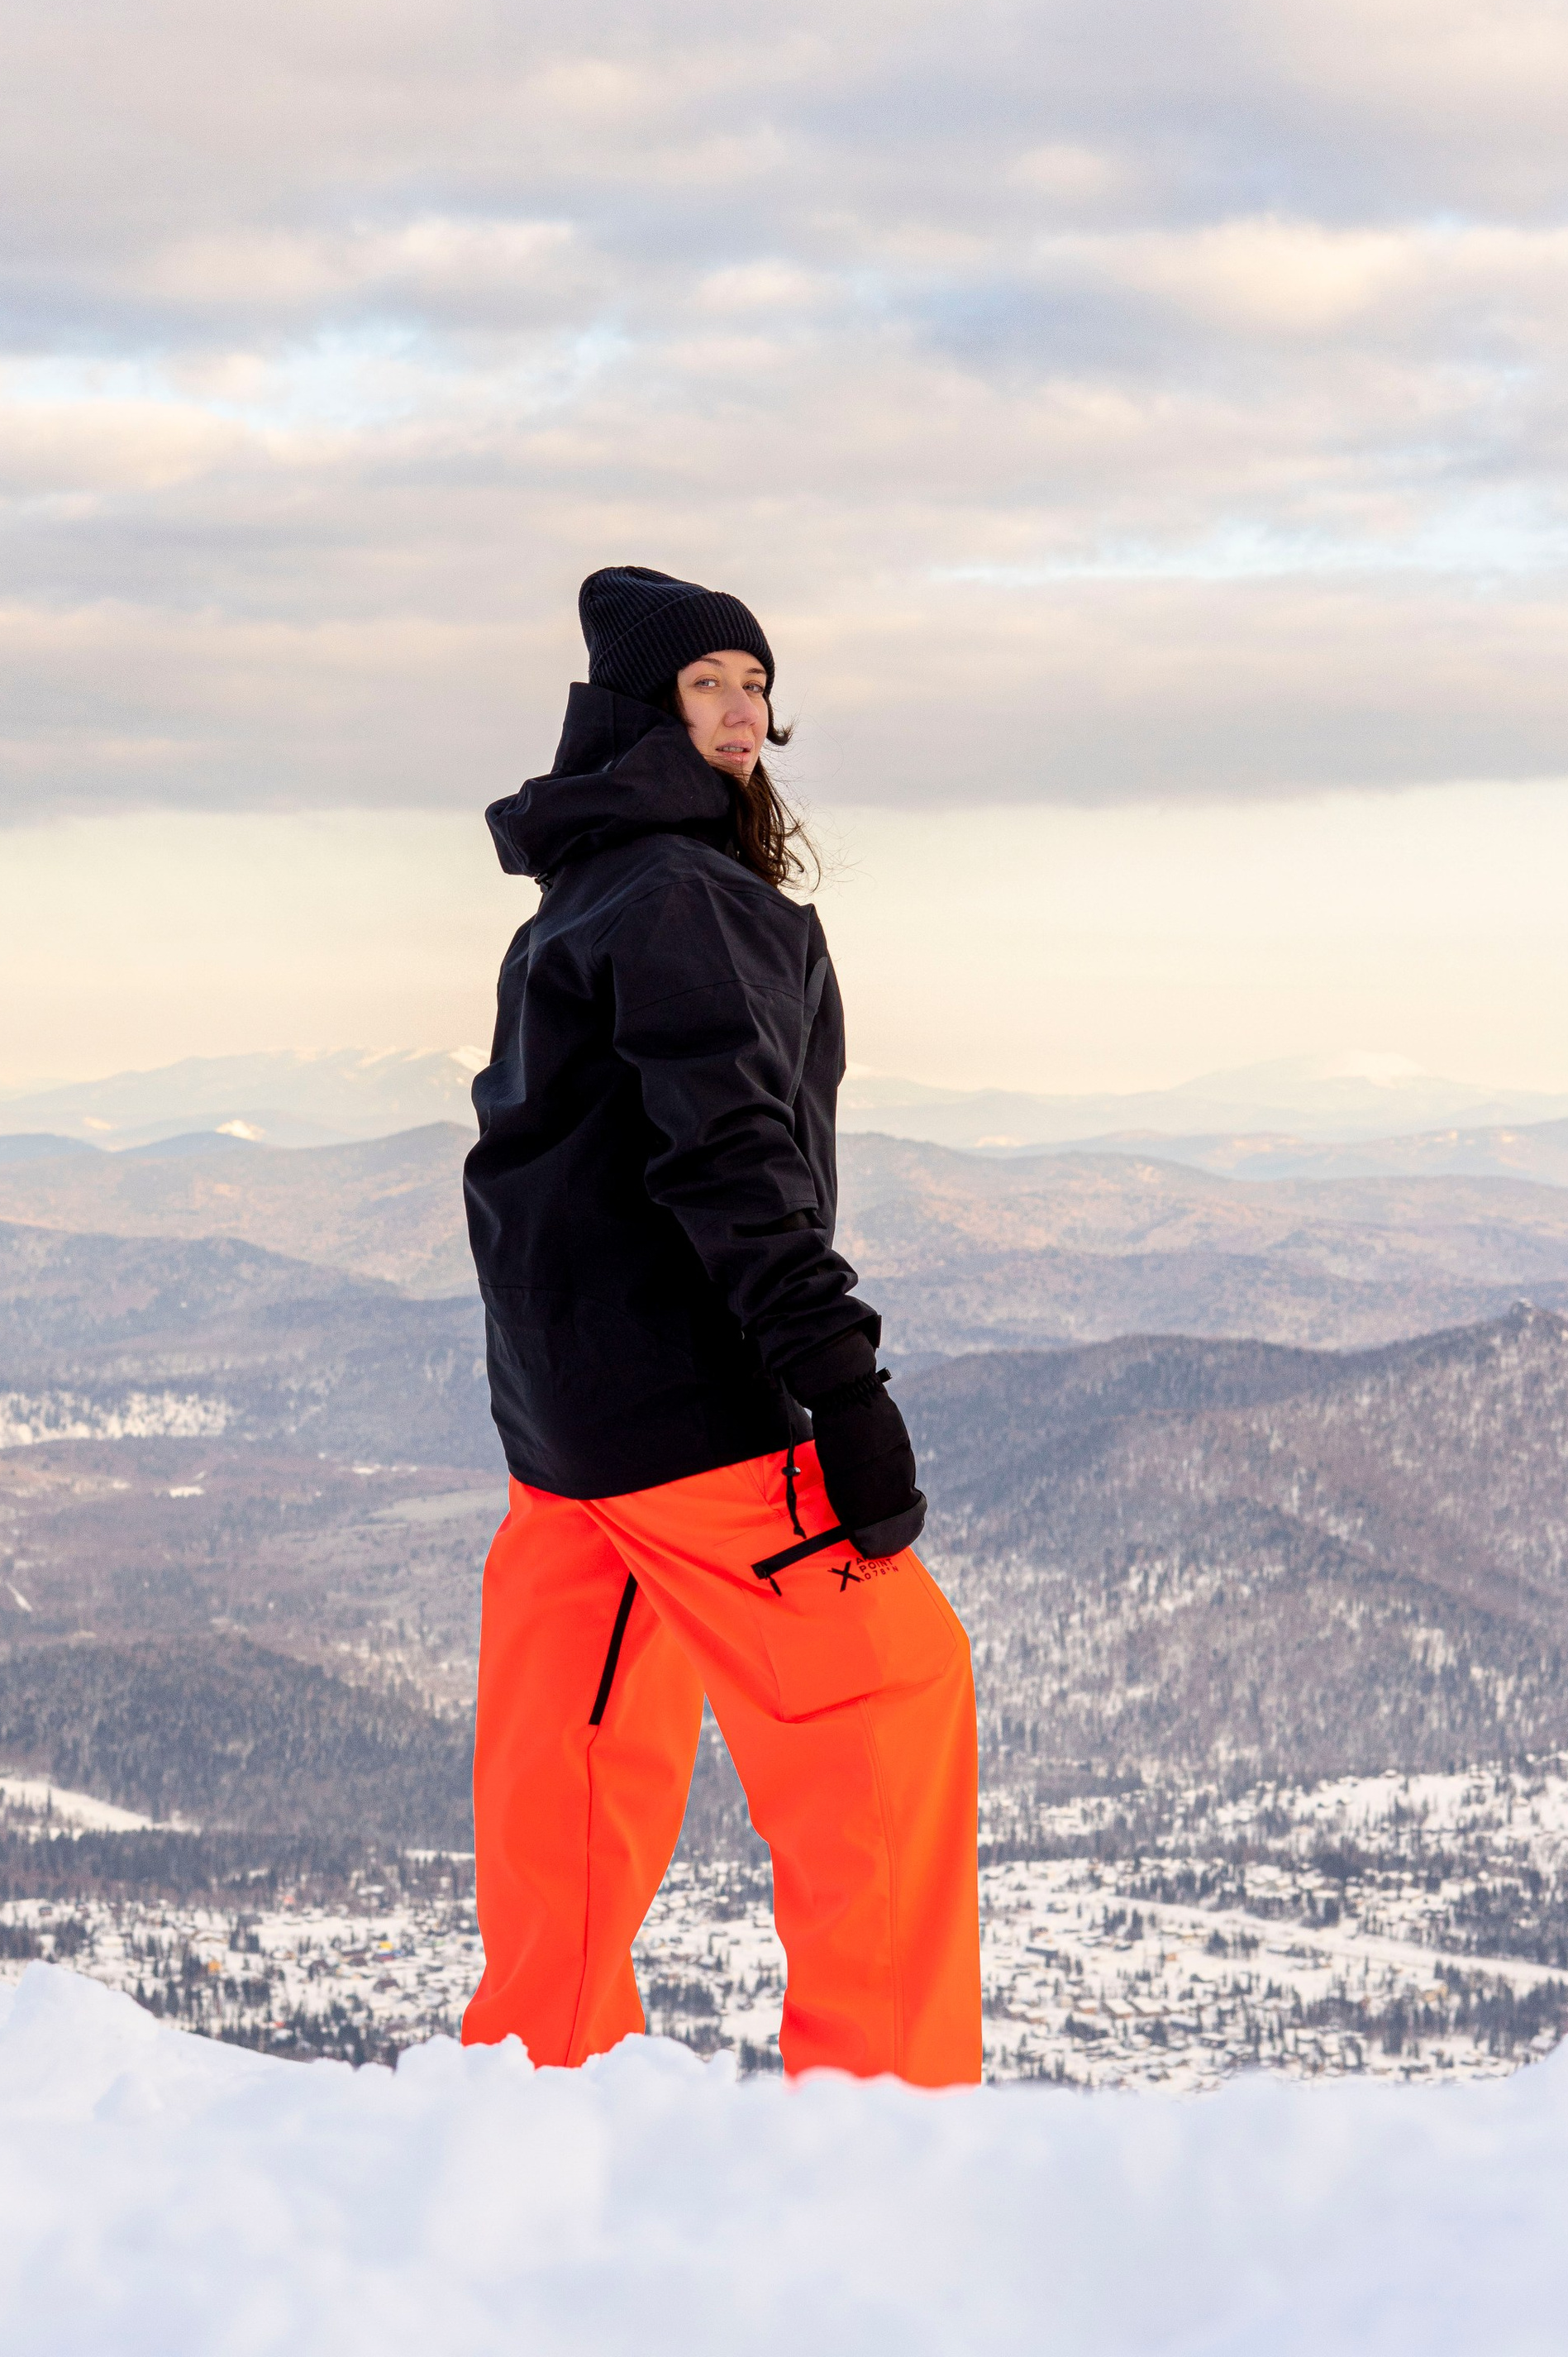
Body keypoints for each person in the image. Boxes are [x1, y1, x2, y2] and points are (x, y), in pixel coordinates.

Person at [458, 563, 980, 2085]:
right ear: (642, 711)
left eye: (755, 683)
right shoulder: (688, 895)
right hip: (694, 1417)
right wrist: (840, 1378)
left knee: (581, 1751)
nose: (743, 711)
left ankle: (531, 2079)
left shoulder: (593, 890)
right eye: (708, 684)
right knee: (888, 1706)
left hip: (566, 1436)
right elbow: (733, 1155)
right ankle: (887, 2113)